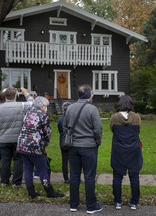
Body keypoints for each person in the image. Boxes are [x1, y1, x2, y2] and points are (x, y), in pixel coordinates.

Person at [63, 84, 103, 214]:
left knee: (74, 175)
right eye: (91, 93)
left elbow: (65, 126)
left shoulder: (69, 108)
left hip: (73, 146)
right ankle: (91, 206)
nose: (92, 95)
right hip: (89, 146)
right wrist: (97, 141)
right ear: (87, 95)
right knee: (89, 176)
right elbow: (98, 129)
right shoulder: (92, 109)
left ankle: (73, 204)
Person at [17, 96, 63, 199]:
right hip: (35, 147)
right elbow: (47, 132)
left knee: (28, 169)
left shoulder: (28, 112)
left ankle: (31, 192)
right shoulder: (43, 115)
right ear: (42, 106)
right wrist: (46, 143)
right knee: (43, 169)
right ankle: (50, 192)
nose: (46, 107)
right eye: (46, 105)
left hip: (22, 145)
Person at [0, 87, 34, 187]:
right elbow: (33, 103)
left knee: (5, 160)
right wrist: (26, 93)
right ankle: (16, 182)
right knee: (18, 160)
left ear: (5, 96)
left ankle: (4, 182)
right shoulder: (22, 105)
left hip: (4, 138)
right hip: (18, 138)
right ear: (16, 96)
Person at [109, 95, 143, 210]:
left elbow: (112, 129)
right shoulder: (137, 117)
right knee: (134, 176)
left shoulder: (114, 117)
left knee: (117, 177)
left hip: (119, 150)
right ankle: (134, 202)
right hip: (134, 149)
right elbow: (138, 130)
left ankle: (117, 202)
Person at [57, 101, 72, 184]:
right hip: (71, 141)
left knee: (64, 161)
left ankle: (66, 178)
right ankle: (74, 177)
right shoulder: (71, 118)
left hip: (62, 140)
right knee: (74, 161)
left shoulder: (60, 118)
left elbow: (60, 130)